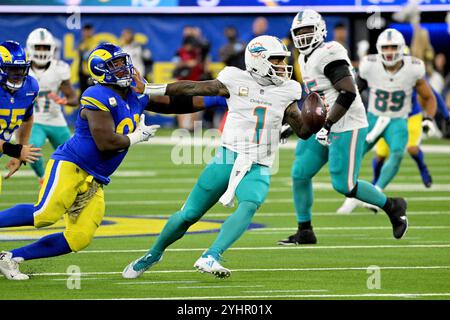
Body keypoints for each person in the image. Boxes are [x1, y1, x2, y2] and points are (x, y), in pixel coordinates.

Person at [0, 42, 235, 281]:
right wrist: (136, 137)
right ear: (100, 69)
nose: (123, 68)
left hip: (97, 178)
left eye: (123, 62)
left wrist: (216, 99)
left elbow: (176, 104)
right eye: (116, 64)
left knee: (79, 238)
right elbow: (105, 142)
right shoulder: (96, 94)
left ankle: (9, 257)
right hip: (72, 165)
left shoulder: (135, 92)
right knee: (44, 214)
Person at [122, 35, 316, 279]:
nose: (282, 65)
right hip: (227, 157)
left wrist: (318, 120)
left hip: (259, 163)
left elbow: (303, 132)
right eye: (276, 60)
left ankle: (211, 255)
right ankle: (154, 253)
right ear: (258, 60)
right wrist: (150, 89)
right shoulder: (234, 79)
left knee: (250, 203)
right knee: (189, 215)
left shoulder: (288, 90)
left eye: (282, 60)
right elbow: (193, 87)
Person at [278, 10, 408, 245]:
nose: (303, 36)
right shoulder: (303, 58)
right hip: (324, 123)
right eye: (299, 32)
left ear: (320, 30)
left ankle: (393, 206)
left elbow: (348, 91)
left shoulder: (329, 53)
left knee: (344, 185)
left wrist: (327, 125)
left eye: (308, 30)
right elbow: (316, 100)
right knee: (300, 173)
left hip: (347, 123)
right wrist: (296, 125)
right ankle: (305, 230)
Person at [337, 29, 436, 214]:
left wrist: (428, 118)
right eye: (385, 47)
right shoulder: (369, 65)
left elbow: (429, 97)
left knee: (397, 153)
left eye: (393, 47)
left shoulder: (413, 67)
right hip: (373, 118)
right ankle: (350, 194)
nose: (389, 51)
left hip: (397, 120)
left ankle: (377, 192)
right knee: (354, 153)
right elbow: (354, 91)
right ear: (378, 48)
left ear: (401, 48)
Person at [26, 28, 79, 186]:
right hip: (34, 120)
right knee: (32, 149)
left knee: (75, 156)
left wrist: (65, 101)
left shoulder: (59, 68)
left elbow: (74, 99)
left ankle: (77, 186)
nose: (42, 51)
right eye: (38, 47)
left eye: (45, 47)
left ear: (52, 49)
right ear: (30, 48)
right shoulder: (22, 69)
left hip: (56, 119)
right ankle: (43, 179)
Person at [0, 40, 41, 179]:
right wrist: (16, 150)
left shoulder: (30, 87)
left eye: (21, 69)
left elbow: (27, 118)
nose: (17, 74)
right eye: (11, 69)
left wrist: (21, 148)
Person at [77, 24, 96, 94]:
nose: (87, 33)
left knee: (91, 92)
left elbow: (88, 56)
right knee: (82, 93)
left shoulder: (94, 42)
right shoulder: (81, 43)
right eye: (85, 31)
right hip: (82, 73)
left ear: (92, 31)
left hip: (91, 73)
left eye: (89, 31)